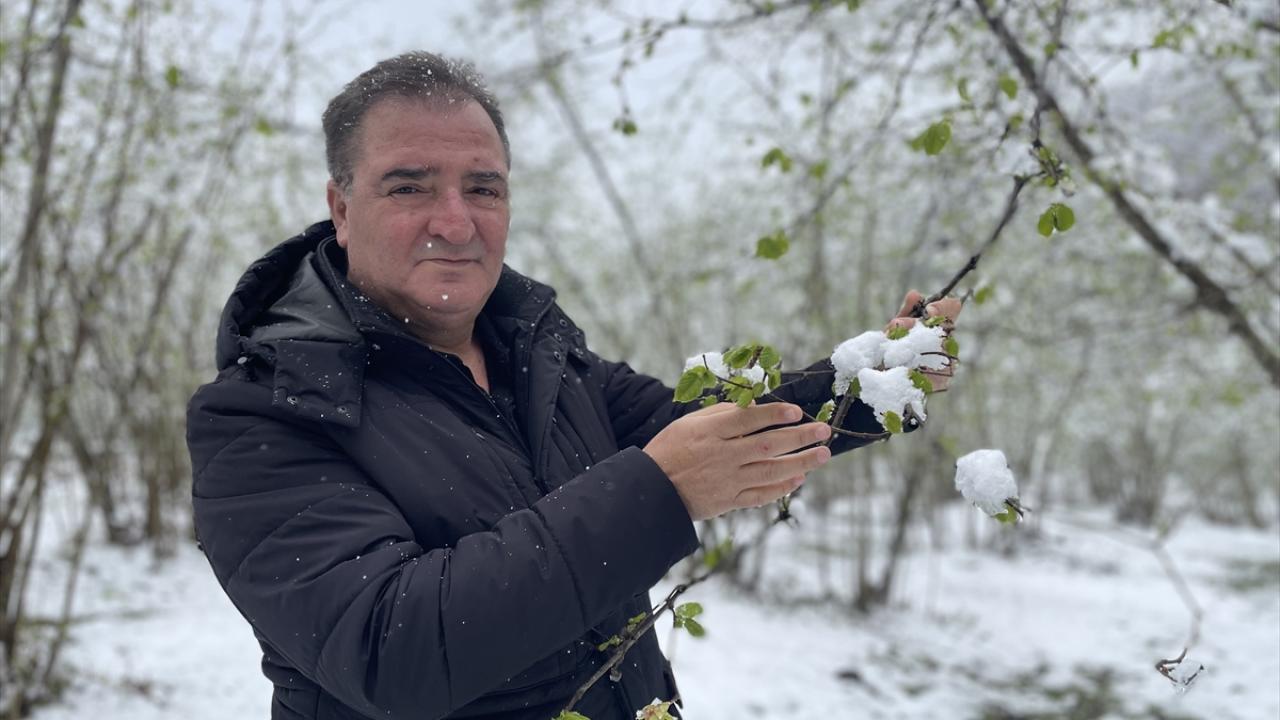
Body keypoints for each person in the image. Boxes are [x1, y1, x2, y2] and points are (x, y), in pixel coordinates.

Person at [186, 51, 961, 720]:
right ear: (340, 207)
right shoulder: (262, 412)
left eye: (483, 189)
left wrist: (881, 379)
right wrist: (662, 492)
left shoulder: (541, 354)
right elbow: (392, 648)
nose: (455, 222)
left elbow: (714, 428)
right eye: (409, 187)